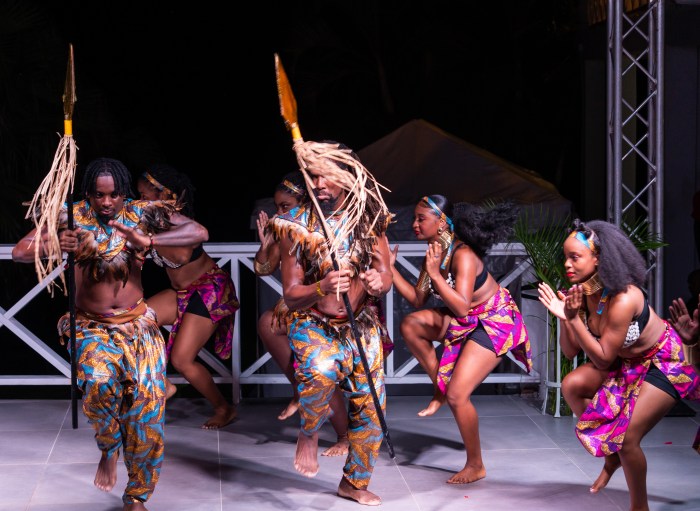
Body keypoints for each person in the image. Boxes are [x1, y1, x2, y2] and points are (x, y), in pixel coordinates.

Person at [12, 157, 209, 511]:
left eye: (114, 195)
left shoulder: (141, 212)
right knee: (98, 385)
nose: (106, 203)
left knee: (148, 416)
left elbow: (198, 233)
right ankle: (108, 446)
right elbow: (19, 252)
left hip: (138, 325)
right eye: (99, 195)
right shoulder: (70, 216)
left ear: (124, 193)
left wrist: (147, 239)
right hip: (91, 326)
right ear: (88, 193)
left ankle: (137, 497)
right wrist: (58, 243)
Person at [538, 219, 700, 510]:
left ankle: (640, 506)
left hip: (663, 363)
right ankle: (611, 457)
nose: (567, 264)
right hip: (626, 364)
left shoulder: (624, 298)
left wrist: (574, 319)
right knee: (572, 384)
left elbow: (602, 357)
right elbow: (568, 351)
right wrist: (565, 317)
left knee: (627, 440)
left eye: (575, 257)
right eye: (566, 256)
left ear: (598, 258)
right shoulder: (584, 292)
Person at [272, 140, 393, 506]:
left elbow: (385, 274)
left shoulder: (369, 220)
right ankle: (309, 431)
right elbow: (291, 294)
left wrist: (378, 282)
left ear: (346, 175)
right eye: (313, 176)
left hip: (360, 324)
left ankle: (353, 483)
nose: (319, 184)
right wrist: (320, 286)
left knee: (372, 407)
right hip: (313, 321)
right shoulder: (294, 226)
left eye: (326, 176)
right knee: (322, 370)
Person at [390, 195, 532, 484]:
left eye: (421, 218)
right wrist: (390, 268)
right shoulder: (435, 251)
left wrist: (434, 275)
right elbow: (418, 300)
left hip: (495, 321)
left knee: (459, 395)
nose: (414, 224)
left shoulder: (463, 255)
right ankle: (440, 388)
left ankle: (475, 464)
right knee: (411, 324)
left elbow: (462, 306)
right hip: (469, 318)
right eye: (415, 218)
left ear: (442, 222)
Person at [136, 163, 239, 429]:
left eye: (147, 196)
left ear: (167, 197)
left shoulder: (177, 222)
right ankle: (162, 384)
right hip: (182, 292)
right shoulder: (147, 221)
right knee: (134, 321)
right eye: (140, 195)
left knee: (182, 359)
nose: (142, 201)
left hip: (209, 289)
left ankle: (223, 408)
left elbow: (191, 244)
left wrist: (149, 241)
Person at [254, 170, 349, 456]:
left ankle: (345, 436)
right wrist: (266, 243)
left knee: (321, 367)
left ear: (307, 201)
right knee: (267, 324)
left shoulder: (325, 226)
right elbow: (262, 268)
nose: (279, 213)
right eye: (277, 207)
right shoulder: (287, 228)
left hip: (336, 306)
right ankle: (299, 387)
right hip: (303, 302)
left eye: (286, 206)